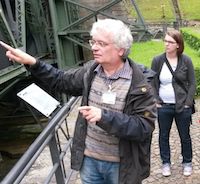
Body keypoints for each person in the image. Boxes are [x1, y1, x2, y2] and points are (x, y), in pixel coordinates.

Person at [0, 18, 157, 184]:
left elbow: (143, 127)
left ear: (120, 49)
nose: (94, 47)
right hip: (89, 160)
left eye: (102, 44)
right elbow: (60, 81)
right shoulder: (91, 71)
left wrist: (104, 117)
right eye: (93, 42)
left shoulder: (140, 83)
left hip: (122, 165)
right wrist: (33, 63)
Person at [151, 29, 196, 177]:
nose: (167, 44)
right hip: (163, 106)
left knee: (185, 136)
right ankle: (166, 163)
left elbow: (192, 83)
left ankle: (187, 162)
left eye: (170, 42)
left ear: (178, 44)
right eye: (165, 41)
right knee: (163, 135)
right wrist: (156, 101)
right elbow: (152, 82)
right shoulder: (157, 60)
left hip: (182, 106)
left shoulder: (186, 60)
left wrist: (188, 103)